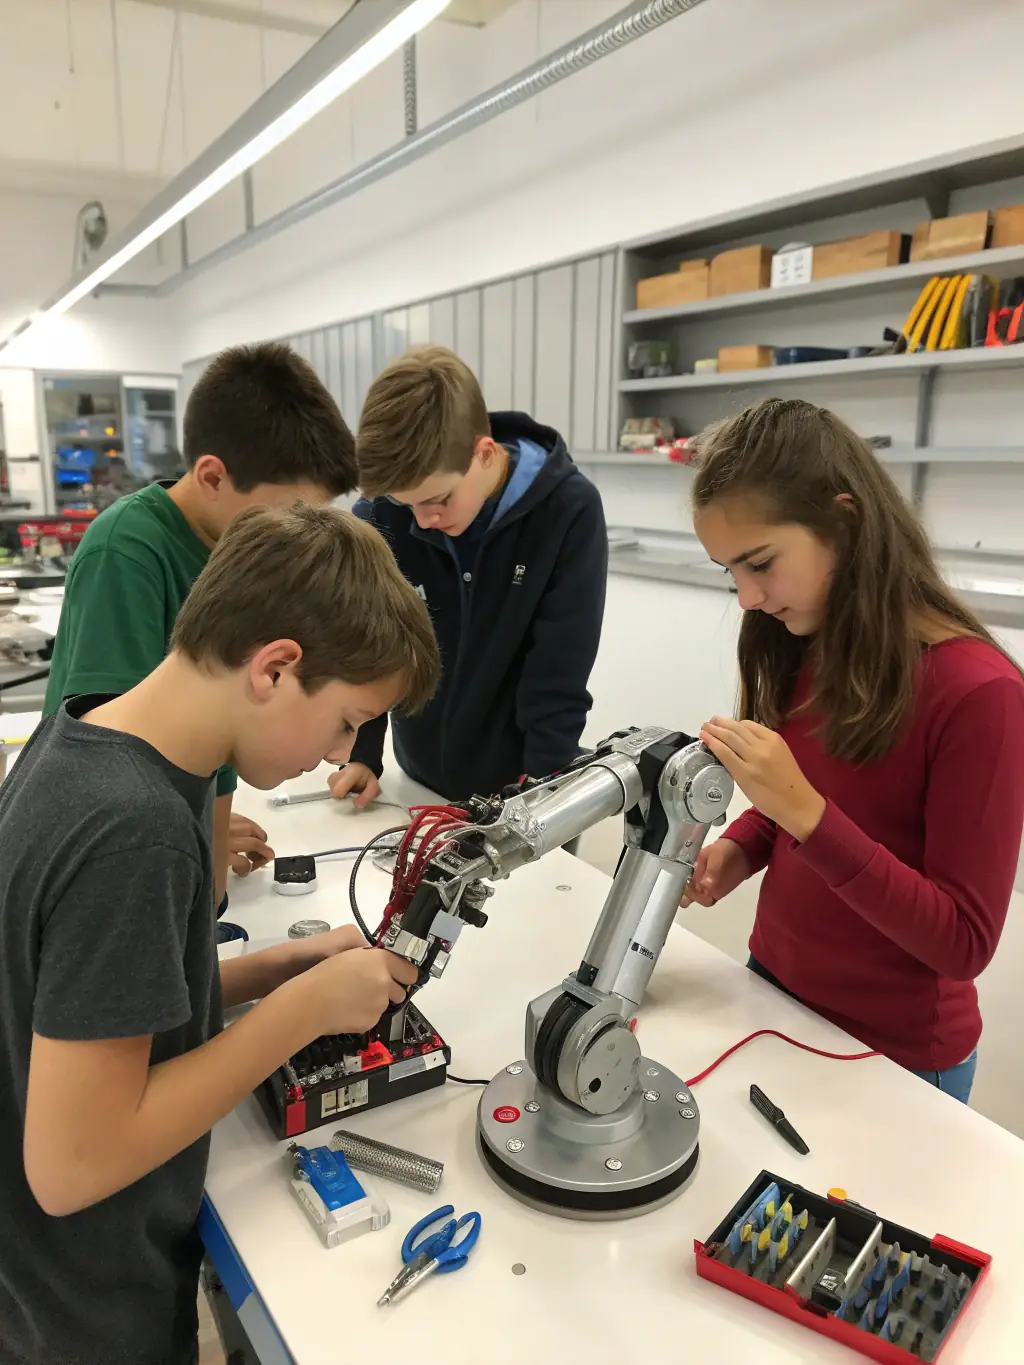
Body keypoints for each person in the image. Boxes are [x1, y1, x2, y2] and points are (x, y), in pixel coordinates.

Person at [0, 503, 438, 1365]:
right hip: (83, 1308)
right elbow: (73, 1166)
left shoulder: (87, 735)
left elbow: (86, 998)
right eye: (348, 720)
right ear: (275, 667)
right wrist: (301, 1013)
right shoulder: (138, 831)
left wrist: (273, 970)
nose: (338, 750)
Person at [681, 397, 1024, 1104]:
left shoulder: (982, 694)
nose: (747, 596)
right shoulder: (806, 642)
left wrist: (804, 813)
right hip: (774, 994)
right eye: (729, 572)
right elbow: (820, 811)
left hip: (895, 1056)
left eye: (761, 563)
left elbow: (963, 940)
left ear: (845, 519)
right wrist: (742, 849)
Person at [43, 342, 359, 909]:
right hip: (105, 851)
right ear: (213, 476)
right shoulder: (127, 550)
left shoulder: (238, 548)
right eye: (289, 513)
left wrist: (206, 831)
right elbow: (117, 757)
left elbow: (218, 721)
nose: (297, 534)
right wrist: (195, 847)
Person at [327, 344, 608, 808]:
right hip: (418, 779)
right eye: (407, 502)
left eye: (439, 498)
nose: (423, 519)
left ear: (484, 453)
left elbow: (557, 677)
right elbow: (369, 645)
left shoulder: (567, 511)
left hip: (521, 786)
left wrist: (544, 807)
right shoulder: (382, 514)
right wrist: (362, 754)